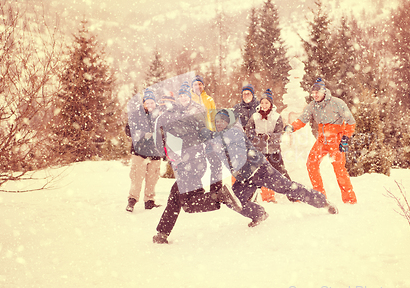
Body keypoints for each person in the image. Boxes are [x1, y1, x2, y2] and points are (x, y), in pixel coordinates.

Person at [207, 109, 338, 228]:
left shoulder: (234, 132)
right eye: (217, 121)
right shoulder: (218, 141)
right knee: (232, 201)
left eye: (222, 121)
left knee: (288, 188)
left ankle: (323, 202)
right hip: (245, 179)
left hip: (260, 170)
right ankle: (259, 214)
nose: (219, 123)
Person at [152, 83, 242, 244]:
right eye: (180, 97)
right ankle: (162, 233)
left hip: (191, 164)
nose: (182, 99)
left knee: (187, 204)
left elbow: (168, 140)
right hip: (192, 163)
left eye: (185, 96)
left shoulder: (188, 116)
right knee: (176, 197)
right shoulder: (182, 116)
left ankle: (219, 196)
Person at [285, 78, 357, 204]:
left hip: (336, 139)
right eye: (313, 93)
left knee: (339, 169)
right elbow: (303, 119)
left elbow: (351, 121)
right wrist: (292, 126)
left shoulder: (337, 103)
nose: (315, 95)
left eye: (317, 92)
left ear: (324, 91)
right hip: (322, 140)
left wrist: (345, 138)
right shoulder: (312, 106)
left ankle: (350, 200)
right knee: (311, 164)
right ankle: (320, 196)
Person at [246, 88, 291, 203]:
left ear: (271, 104)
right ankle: (251, 197)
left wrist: (269, 137)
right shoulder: (255, 116)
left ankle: (294, 196)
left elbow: (279, 133)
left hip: (273, 150)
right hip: (258, 149)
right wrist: (257, 139)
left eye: (266, 102)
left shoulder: (276, 117)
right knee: (254, 173)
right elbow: (249, 131)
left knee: (281, 172)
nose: (264, 105)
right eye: (262, 103)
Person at [125, 88, 162, 212]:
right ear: (143, 103)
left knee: (152, 179)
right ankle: (132, 201)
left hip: (155, 153)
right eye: (147, 102)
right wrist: (141, 134)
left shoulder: (160, 115)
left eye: (152, 102)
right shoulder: (136, 115)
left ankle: (149, 202)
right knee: (136, 178)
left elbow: (165, 132)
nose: (150, 105)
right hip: (139, 152)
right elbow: (128, 131)